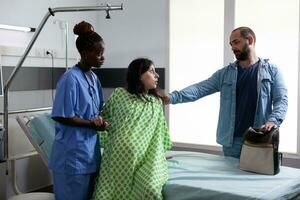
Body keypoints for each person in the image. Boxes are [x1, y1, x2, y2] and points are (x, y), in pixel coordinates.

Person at [163, 26, 288, 158]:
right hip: (232, 142)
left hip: (260, 139)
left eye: (236, 42)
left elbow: (282, 100)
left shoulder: (272, 71)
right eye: (231, 44)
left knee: (258, 176)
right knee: (230, 178)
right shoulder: (225, 74)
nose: (233, 48)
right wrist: (171, 97)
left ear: (250, 40)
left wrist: (273, 121)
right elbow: (199, 89)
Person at [91, 58, 172, 200]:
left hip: (146, 159)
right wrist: (99, 122)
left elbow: (159, 133)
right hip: (116, 160)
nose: (157, 75)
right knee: (104, 197)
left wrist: (161, 155)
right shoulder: (119, 94)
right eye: (152, 71)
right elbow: (104, 119)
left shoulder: (156, 102)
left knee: (150, 191)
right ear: (139, 75)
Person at [48, 21, 108, 200]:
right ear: (84, 53)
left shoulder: (93, 77)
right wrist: (91, 124)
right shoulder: (70, 79)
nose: (102, 58)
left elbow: (98, 109)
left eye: (103, 53)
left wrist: (101, 121)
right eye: (98, 54)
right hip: (72, 157)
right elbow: (61, 115)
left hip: (89, 154)